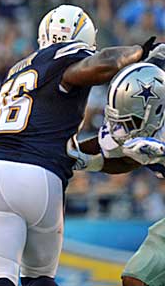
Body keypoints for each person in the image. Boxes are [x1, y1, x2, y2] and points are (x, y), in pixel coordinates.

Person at [0, 4, 148, 286]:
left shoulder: (20, 68)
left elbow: (47, 130)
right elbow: (103, 63)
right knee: (40, 279)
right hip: (42, 177)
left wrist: (88, 153)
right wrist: (140, 52)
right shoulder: (65, 57)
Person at [66, 46, 165, 286]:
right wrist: (85, 160)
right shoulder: (134, 117)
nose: (122, 132)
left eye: (129, 122)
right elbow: (122, 156)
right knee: (137, 278)